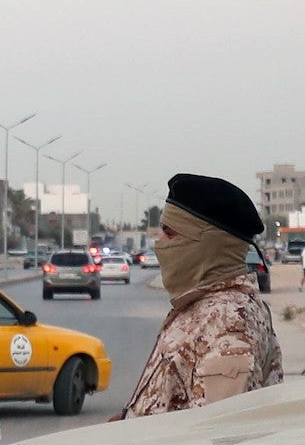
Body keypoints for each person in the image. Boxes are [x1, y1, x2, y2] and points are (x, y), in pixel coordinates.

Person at [117, 173, 281, 419]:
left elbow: (218, 438)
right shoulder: (203, 305)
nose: (159, 244)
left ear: (207, 246)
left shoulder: (228, 321)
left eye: (170, 234)